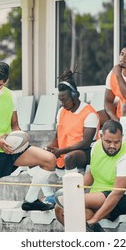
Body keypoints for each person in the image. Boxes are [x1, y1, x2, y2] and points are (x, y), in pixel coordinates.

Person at [0, 61, 56, 232]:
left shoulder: (11, 95)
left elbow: (15, 125)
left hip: (11, 147)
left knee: (49, 160)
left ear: (5, 82)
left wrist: (20, 138)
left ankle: (30, 201)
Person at [54, 120, 126, 232]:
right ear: (101, 136)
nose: (112, 146)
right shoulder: (96, 146)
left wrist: (94, 220)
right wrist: (75, 190)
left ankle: (91, 228)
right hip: (101, 195)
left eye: (117, 142)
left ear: (122, 137)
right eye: (108, 141)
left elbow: (117, 193)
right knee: (60, 210)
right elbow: (90, 175)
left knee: (69, 200)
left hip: (125, 198)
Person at [39, 69, 100, 204]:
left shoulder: (89, 113)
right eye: (60, 100)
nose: (62, 103)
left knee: (69, 158)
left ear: (75, 95)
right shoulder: (61, 111)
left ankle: (69, 193)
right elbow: (57, 137)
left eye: (65, 100)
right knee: (39, 155)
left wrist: (60, 151)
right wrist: (49, 148)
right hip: (65, 149)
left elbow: (85, 142)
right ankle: (49, 196)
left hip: (87, 152)